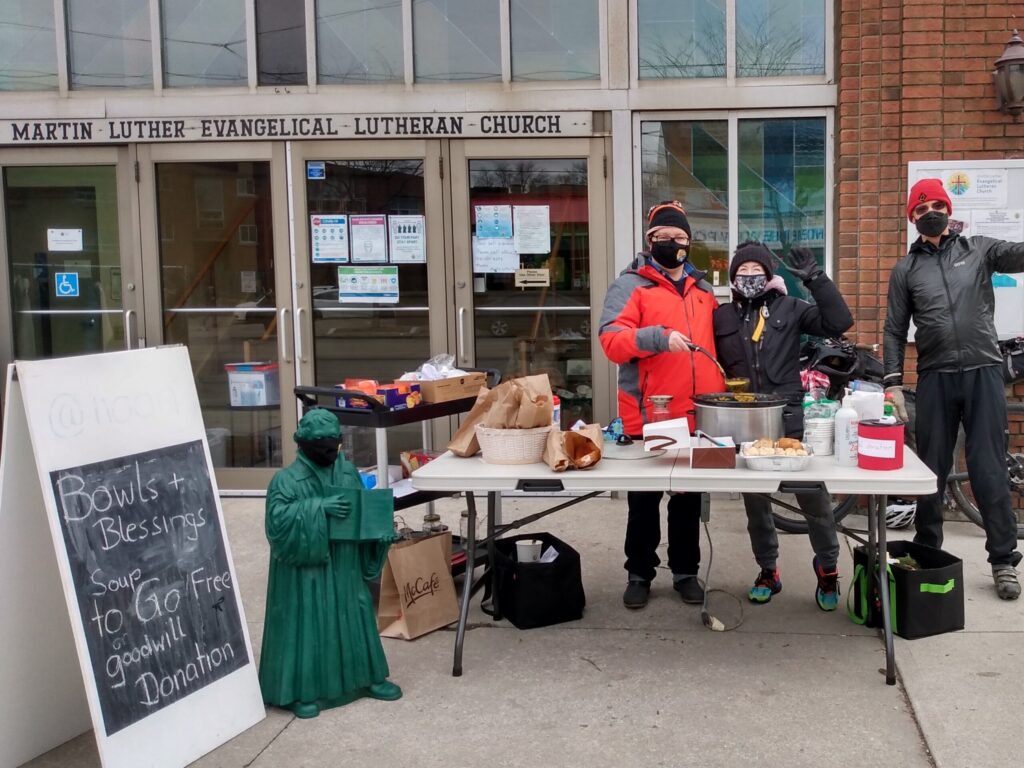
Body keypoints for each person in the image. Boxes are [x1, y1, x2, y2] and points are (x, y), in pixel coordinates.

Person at [884, 178, 1024, 600]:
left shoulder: (979, 249)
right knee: (930, 471)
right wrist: (892, 383)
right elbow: (894, 331)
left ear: (948, 209)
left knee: (988, 468)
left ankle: (1002, 560)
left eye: (936, 205)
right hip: (935, 377)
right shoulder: (906, 269)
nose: (930, 212)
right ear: (912, 218)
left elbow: (1017, 254)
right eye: (920, 208)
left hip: (983, 371)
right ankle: (927, 553)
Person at [713, 241, 854, 610]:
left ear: (768, 275)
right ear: (732, 278)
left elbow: (839, 322)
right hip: (744, 421)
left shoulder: (791, 309)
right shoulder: (722, 316)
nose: (748, 278)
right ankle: (768, 570)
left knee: (813, 499)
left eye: (755, 272)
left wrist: (816, 279)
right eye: (741, 273)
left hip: (788, 417)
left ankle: (827, 568)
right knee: (756, 505)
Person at [599, 200, 725, 609]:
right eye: (664, 238)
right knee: (644, 500)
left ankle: (686, 571)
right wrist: (655, 337)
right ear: (649, 241)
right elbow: (611, 342)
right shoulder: (630, 286)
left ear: (690, 243)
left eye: (681, 238)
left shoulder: (705, 292)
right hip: (649, 416)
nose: (673, 244)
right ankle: (639, 573)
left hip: (696, 418)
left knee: (688, 500)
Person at [259, 409, 402, 716]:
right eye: (321, 443)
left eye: (333, 441)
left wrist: (379, 538)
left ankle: (368, 678)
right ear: (303, 443)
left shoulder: (347, 473)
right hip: (309, 571)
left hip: (347, 564)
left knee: (358, 611)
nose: (329, 449)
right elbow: (277, 525)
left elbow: (362, 515)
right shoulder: (286, 481)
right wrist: (318, 508)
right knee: (309, 621)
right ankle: (303, 690)